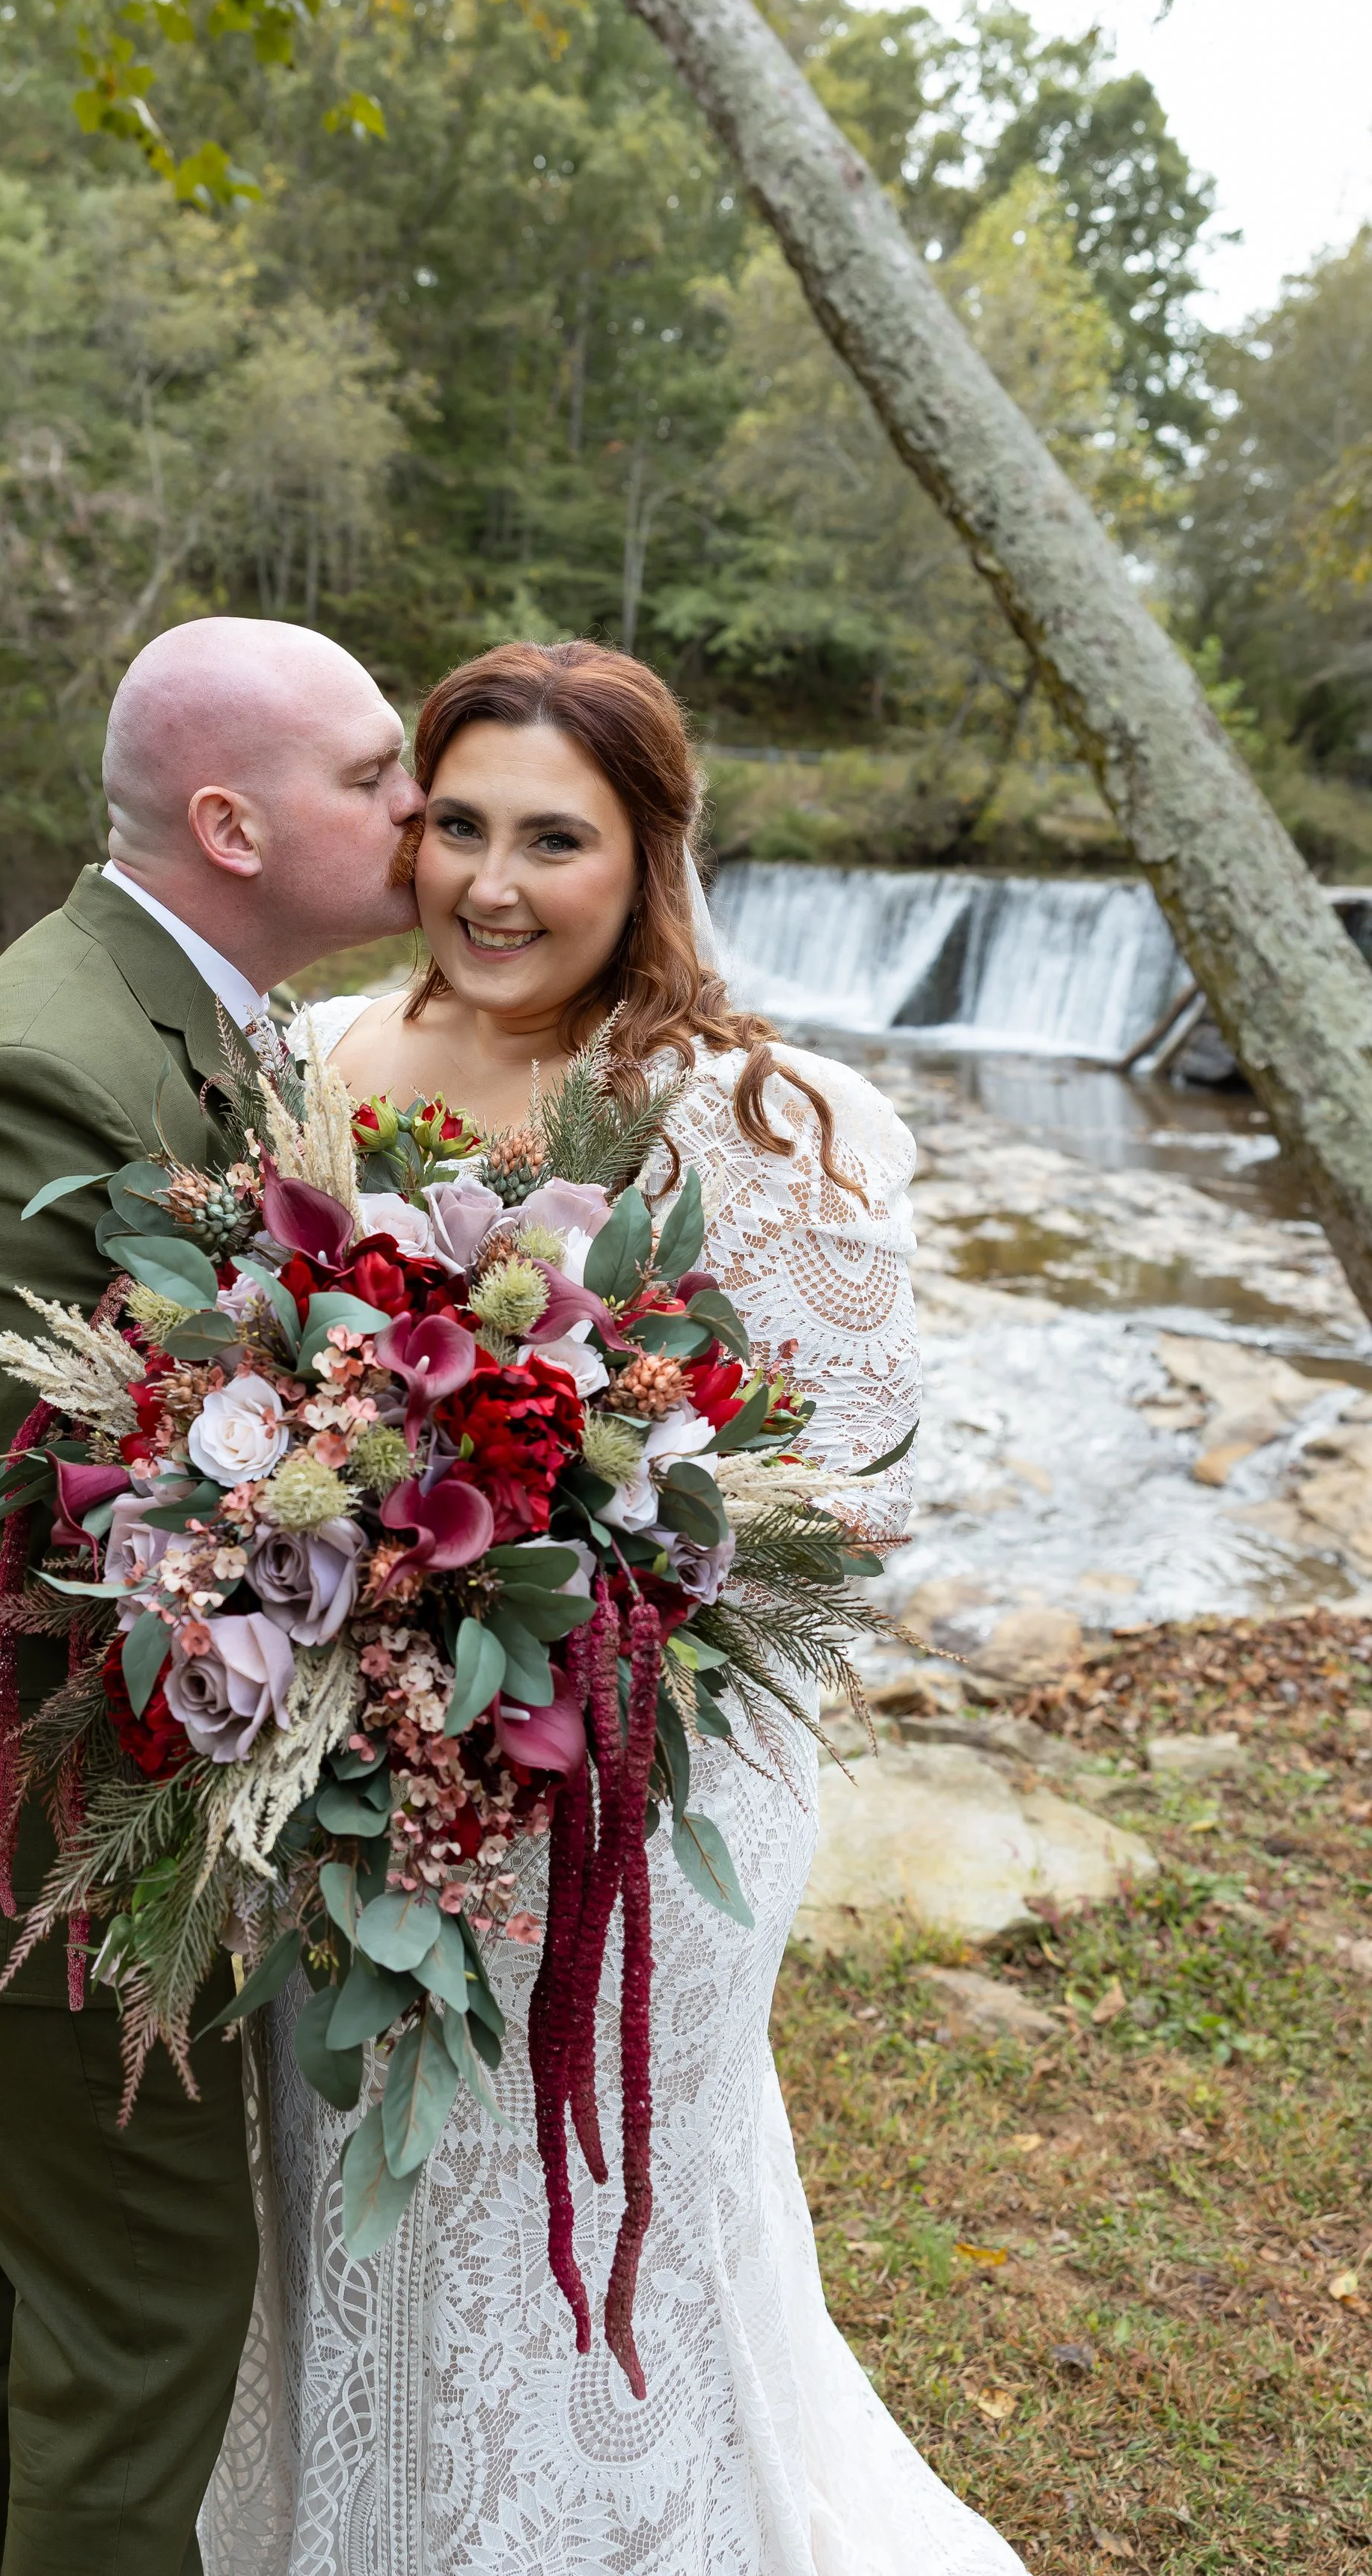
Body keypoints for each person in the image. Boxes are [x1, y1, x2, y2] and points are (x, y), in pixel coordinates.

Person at [203, 641, 1026, 2575]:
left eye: (552, 837)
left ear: (646, 855)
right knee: (352, 2165)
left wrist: (580, 1555)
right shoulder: (313, 1064)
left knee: (568, 2166)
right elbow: (238, 1384)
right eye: (459, 823)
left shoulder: (741, 1111)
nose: (492, 879)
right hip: (353, 1741)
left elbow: (841, 1475)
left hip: (631, 1770)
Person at [0, 616, 425, 2576]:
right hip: (2, 1805)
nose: (415, 802)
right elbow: (110, 1505)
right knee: (144, 2291)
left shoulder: (206, 1010)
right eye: (371, 774)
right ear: (230, 820)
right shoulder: (40, 1070)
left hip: (56, 1782)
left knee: (20, 2233)